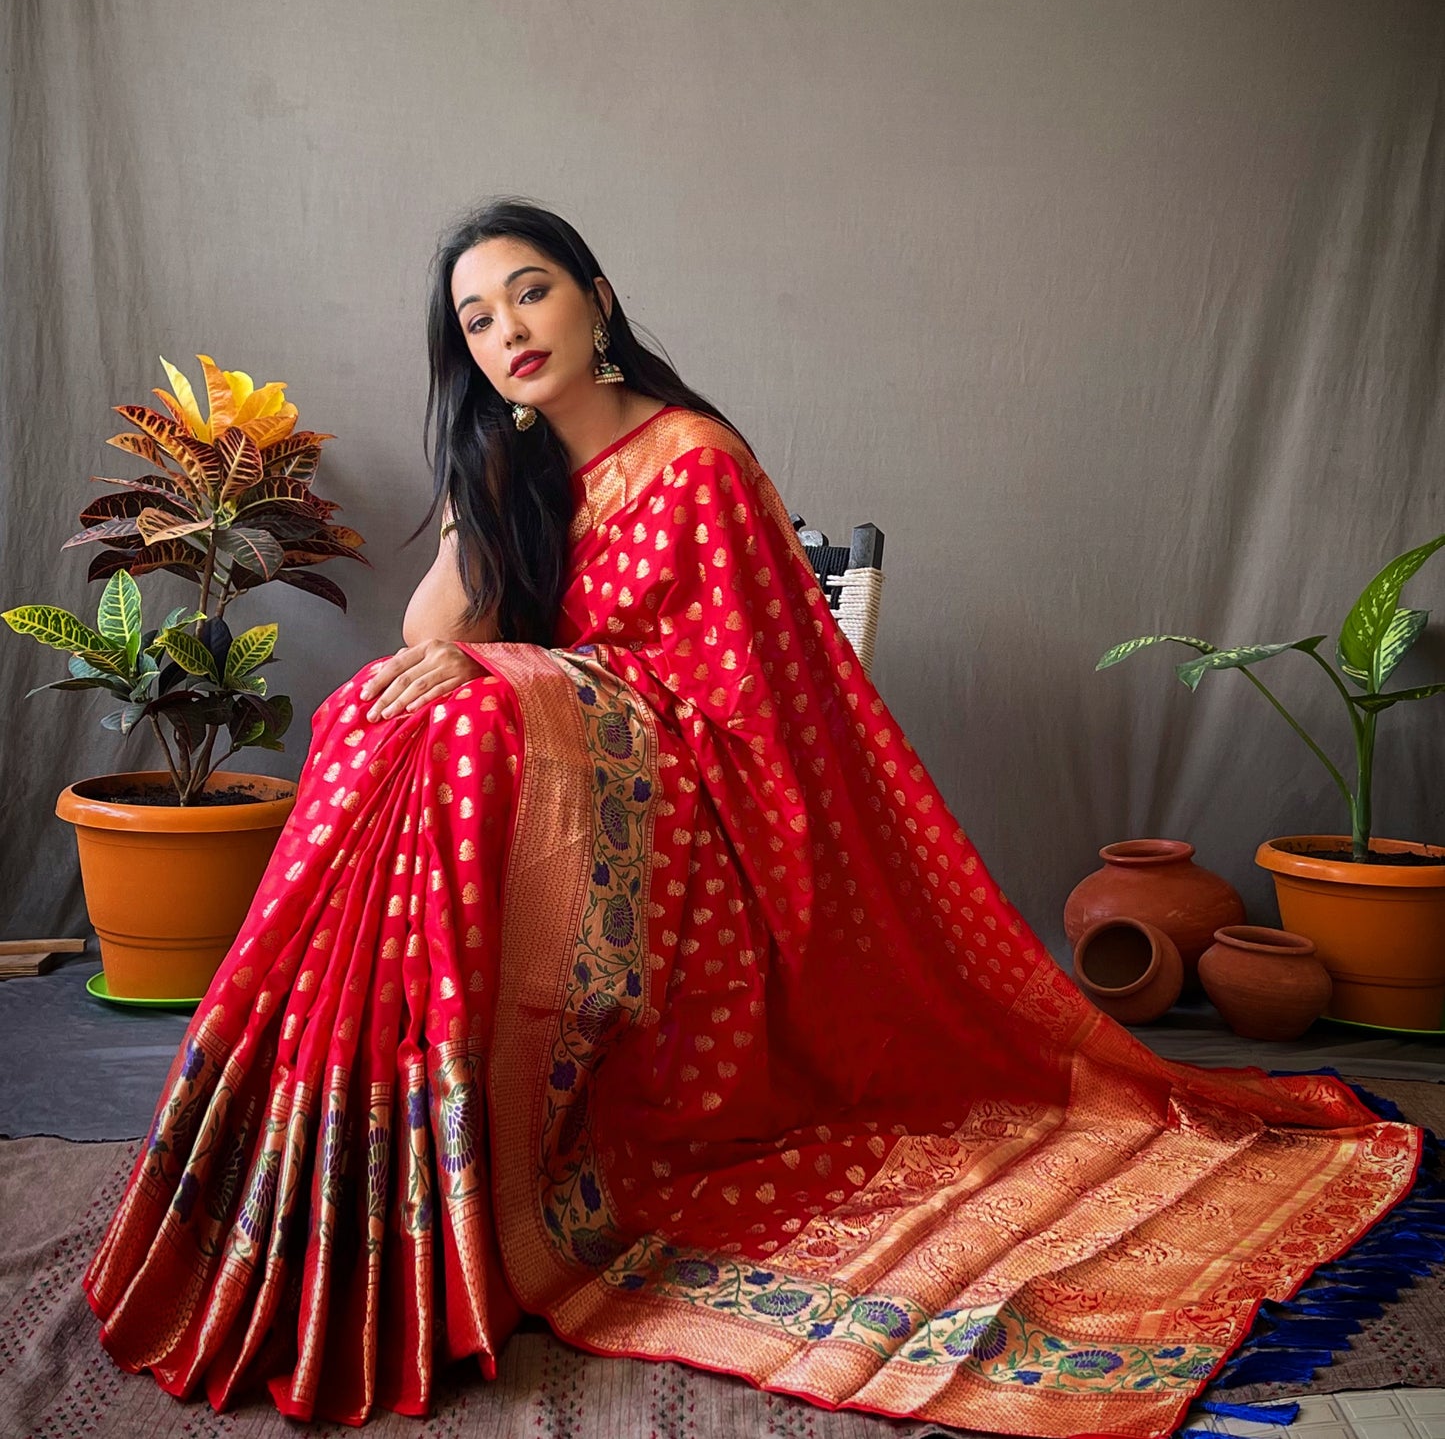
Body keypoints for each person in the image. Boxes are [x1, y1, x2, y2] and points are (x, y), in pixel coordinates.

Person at [83, 200, 1427, 1434]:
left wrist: (519, 681)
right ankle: (364, 1147)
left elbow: (746, 710)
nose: (506, 333)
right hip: (560, 792)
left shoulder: (696, 459)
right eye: (475, 322)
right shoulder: (521, 470)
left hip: (704, 800)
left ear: (596, 299)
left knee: (472, 712)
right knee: (384, 709)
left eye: (528, 294)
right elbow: (429, 647)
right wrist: (478, 500)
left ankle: (439, 1149)